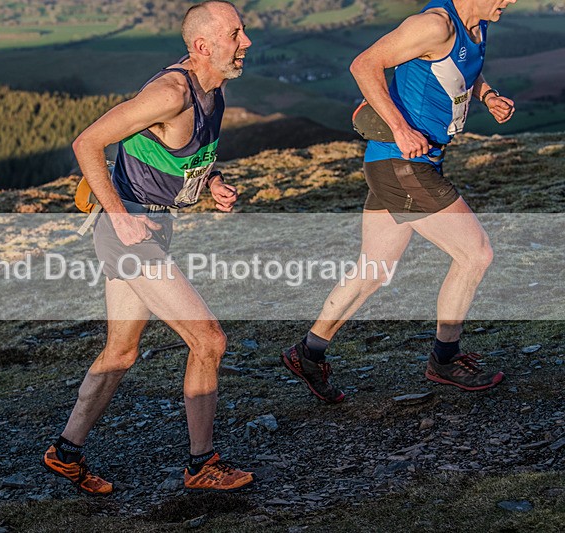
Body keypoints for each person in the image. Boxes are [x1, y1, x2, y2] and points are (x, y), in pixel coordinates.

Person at [42, 1, 254, 494]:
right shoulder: (170, 93)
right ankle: (202, 464)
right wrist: (119, 216)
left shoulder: (213, 90)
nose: (246, 43)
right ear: (202, 46)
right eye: (236, 34)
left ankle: (66, 452)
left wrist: (212, 181)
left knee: (121, 349)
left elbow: (178, 157)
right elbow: (87, 143)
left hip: (152, 228)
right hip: (129, 232)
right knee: (209, 341)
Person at [283, 0, 516, 403]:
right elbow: (364, 65)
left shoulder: (476, 26)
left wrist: (488, 94)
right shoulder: (433, 25)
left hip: (406, 162)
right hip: (402, 162)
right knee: (475, 254)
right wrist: (400, 128)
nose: (511, 1)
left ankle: (308, 353)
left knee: (372, 271)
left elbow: (459, 73)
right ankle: (444, 359)